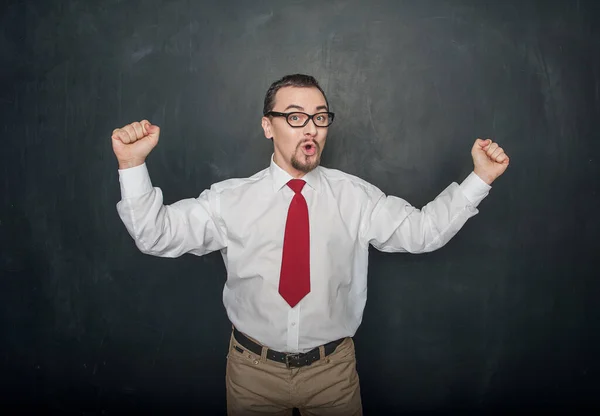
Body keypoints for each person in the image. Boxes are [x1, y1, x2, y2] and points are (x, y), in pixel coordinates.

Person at [112, 74, 509, 415]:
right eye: (295, 117)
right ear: (268, 126)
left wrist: (480, 179)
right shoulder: (228, 200)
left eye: (319, 117)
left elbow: (422, 232)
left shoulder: (356, 197)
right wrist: (132, 165)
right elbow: (154, 234)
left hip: (332, 373)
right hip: (253, 373)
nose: (311, 129)